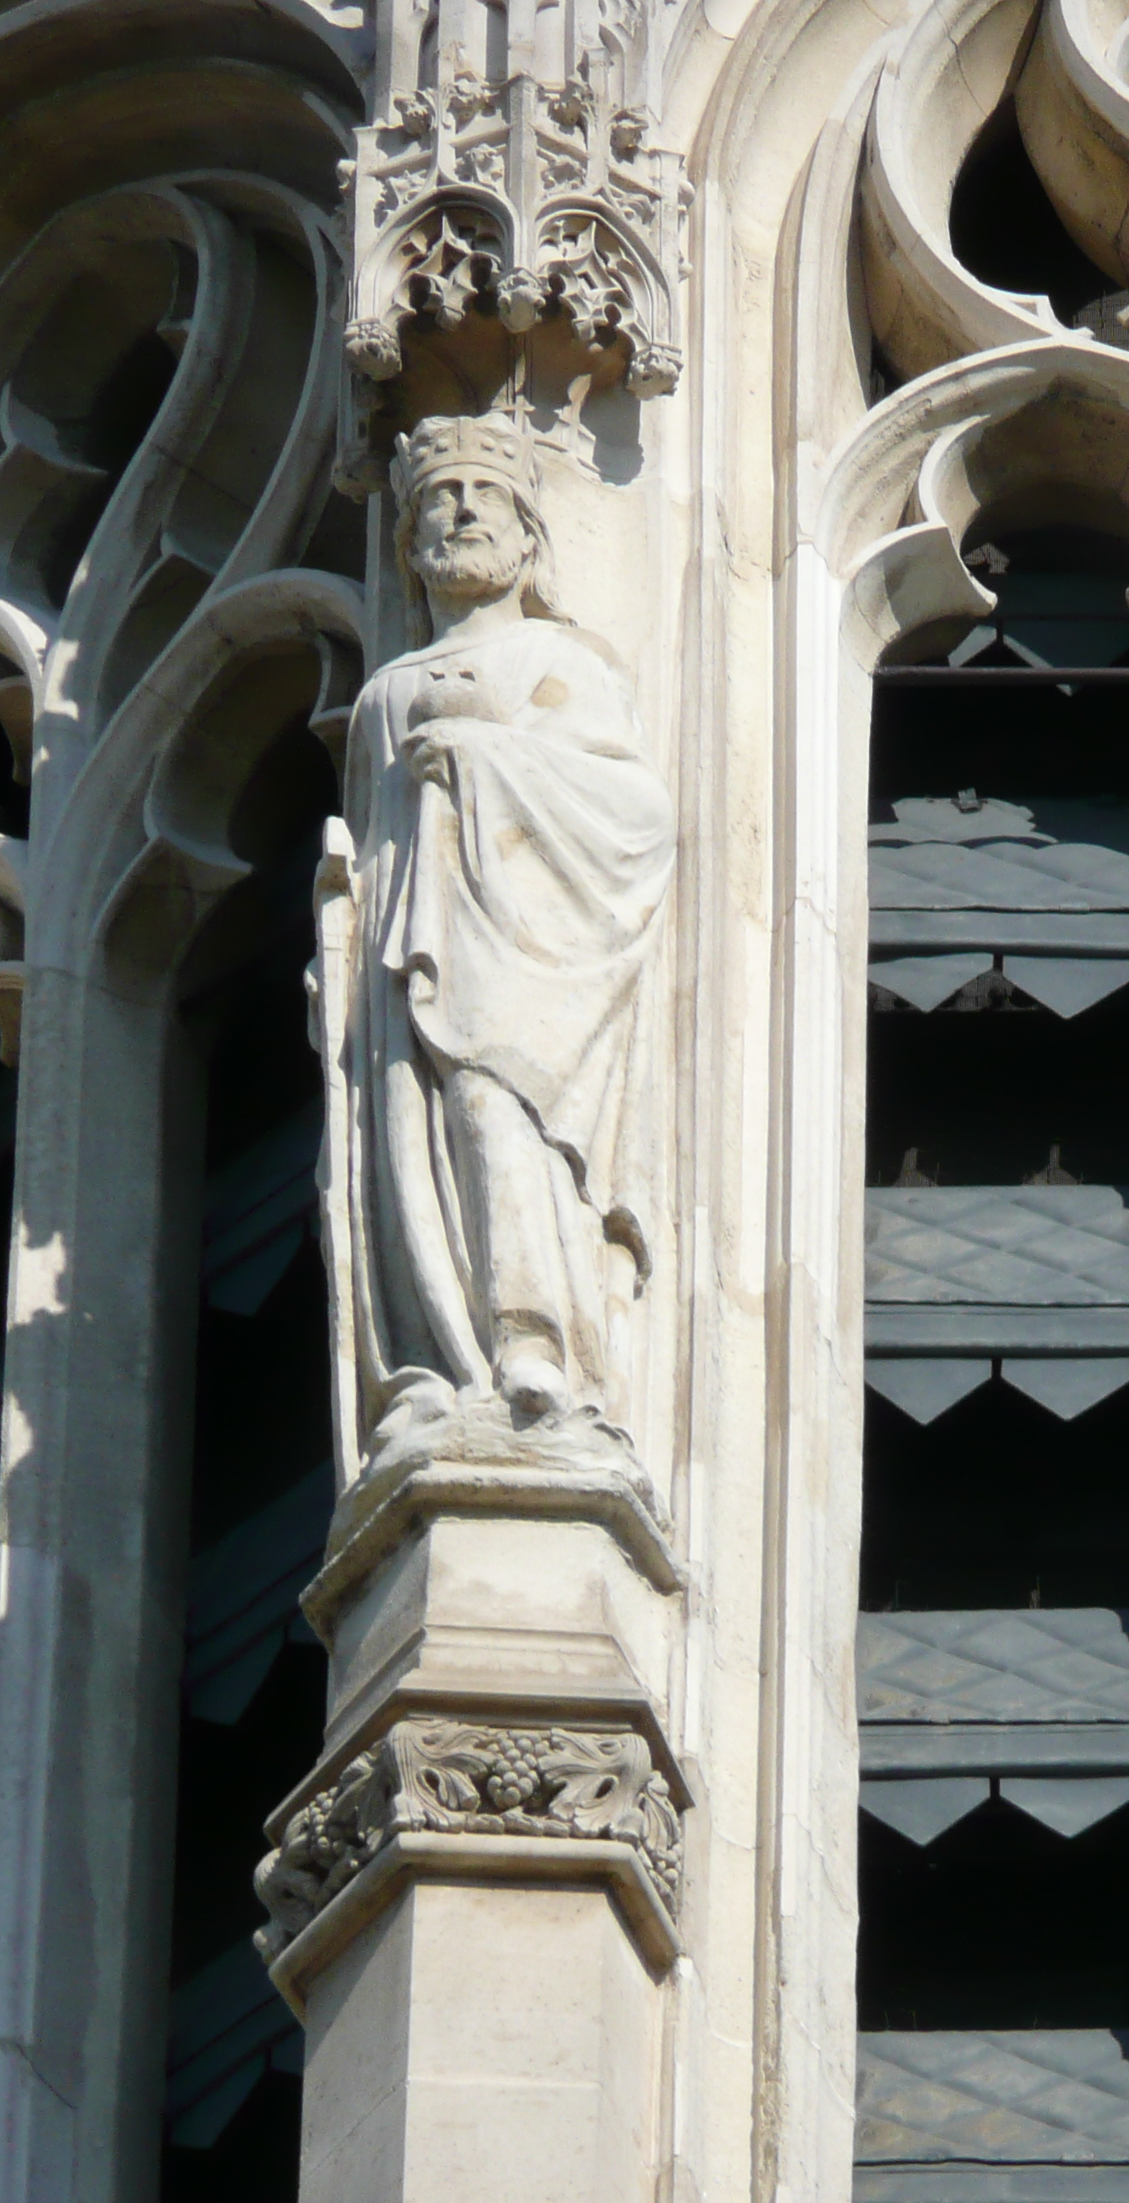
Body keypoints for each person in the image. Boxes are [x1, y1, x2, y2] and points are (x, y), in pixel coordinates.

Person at [334, 412, 673, 1448]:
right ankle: (433, 1366)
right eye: (440, 498)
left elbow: (633, 816)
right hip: (403, 963)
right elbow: (370, 847)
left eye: (485, 496)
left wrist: (484, 763)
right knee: (408, 1145)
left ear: (531, 537)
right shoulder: (382, 696)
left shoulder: (551, 662)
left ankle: (536, 1346)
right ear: (410, 542)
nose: (462, 510)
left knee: (496, 1120)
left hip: (522, 967)